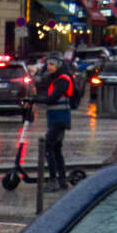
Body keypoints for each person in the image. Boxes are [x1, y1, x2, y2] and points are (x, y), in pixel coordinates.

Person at [39, 55, 79, 188]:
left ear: (59, 66)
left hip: (60, 119)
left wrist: (37, 100)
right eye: (48, 64)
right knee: (56, 149)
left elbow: (53, 98)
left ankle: (53, 180)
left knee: (47, 146)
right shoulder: (54, 79)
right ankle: (62, 180)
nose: (49, 67)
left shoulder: (63, 80)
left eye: (52, 64)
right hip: (55, 118)